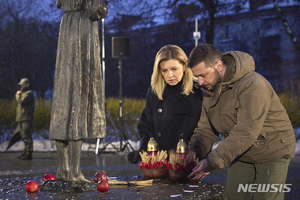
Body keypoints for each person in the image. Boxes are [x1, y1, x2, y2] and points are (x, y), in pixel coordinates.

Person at [187, 43, 296, 200]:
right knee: (233, 196)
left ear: (218, 65)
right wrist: (193, 153)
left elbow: (245, 132)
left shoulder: (252, 84)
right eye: (197, 77)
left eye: (203, 75)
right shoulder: (209, 90)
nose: (201, 82)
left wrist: (211, 162)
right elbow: (206, 129)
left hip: (272, 150)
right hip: (243, 152)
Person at [49, 0, 108, 182]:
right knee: (79, 93)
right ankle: (74, 172)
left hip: (67, 27)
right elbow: (95, 10)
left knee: (64, 93)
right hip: (83, 30)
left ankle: (63, 169)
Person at [127, 45, 203, 164]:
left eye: (174, 69)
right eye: (164, 70)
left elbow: (204, 130)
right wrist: (143, 150)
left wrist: (196, 154)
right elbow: (146, 127)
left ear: (184, 66)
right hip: (159, 164)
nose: (169, 75)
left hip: (188, 163)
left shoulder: (198, 91)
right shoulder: (155, 91)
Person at [15, 78, 35, 160]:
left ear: (27, 84)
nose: (21, 86)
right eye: (21, 85)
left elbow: (21, 102)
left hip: (26, 118)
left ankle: (29, 153)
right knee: (23, 136)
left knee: (27, 136)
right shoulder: (24, 93)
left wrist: (17, 95)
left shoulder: (29, 93)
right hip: (22, 118)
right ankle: (25, 152)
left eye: (23, 85)